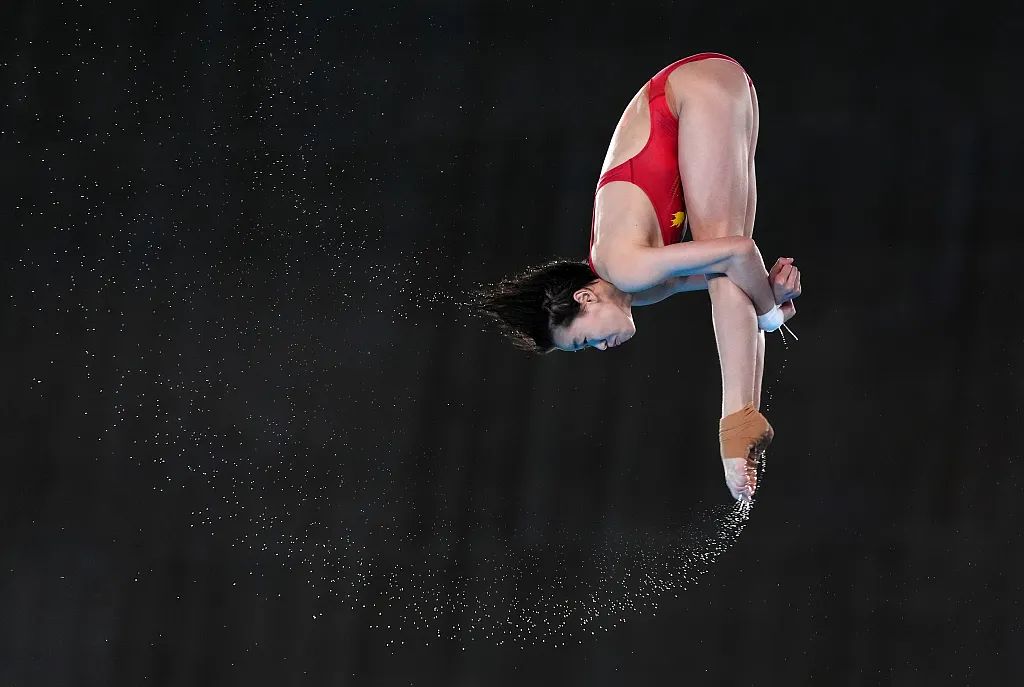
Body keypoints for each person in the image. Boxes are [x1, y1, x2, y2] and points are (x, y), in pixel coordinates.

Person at [474, 53, 802, 501]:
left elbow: (738, 257)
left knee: (724, 255)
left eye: (584, 341)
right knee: (726, 272)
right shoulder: (638, 287)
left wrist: (769, 312)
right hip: (717, 88)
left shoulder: (622, 265)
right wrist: (771, 294)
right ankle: (744, 421)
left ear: (585, 300)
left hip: (685, 94)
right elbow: (737, 274)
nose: (600, 349)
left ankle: (737, 426)